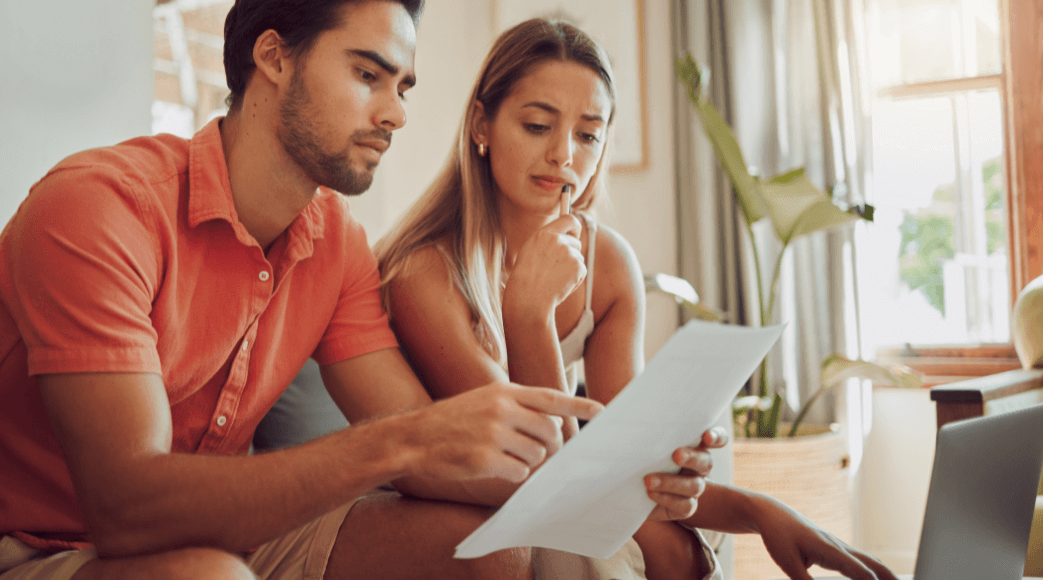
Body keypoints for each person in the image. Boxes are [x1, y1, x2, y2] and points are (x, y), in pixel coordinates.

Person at [0, 2, 727, 580]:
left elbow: (432, 443)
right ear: (274, 57)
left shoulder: (334, 243)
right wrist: (402, 444)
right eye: (370, 74)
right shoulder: (98, 207)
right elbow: (126, 510)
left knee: (490, 550)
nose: (398, 114)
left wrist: (646, 479)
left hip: (236, 538)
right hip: (43, 551)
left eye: (404, 86)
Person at [376, 17, 900, 580]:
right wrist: (529, 315)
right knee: (617, 545)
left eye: (588, 134)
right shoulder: (425, 271)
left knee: (673, 545)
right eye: (536, 125)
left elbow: (618, 468)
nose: (562, 155)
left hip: (547, 486)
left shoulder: (607, 263)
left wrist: (758, 509)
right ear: (482, 123)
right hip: (449, 493)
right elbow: (548, 469)